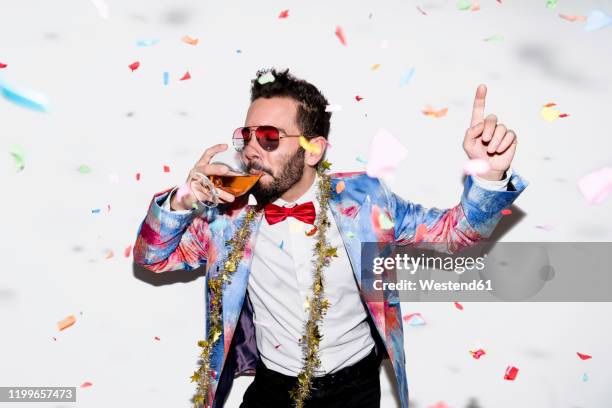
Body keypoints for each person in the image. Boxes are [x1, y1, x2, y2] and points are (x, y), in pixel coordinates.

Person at [133, 68, 528, 408]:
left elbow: (455, 236)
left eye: (270, 136)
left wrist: (488, 175)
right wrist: (183, 199)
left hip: (353, 389)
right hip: (274, 388)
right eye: (247, 136)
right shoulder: (228, 217)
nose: (252, 149)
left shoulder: (366, 201)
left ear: (313, 150)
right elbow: (152, 258)